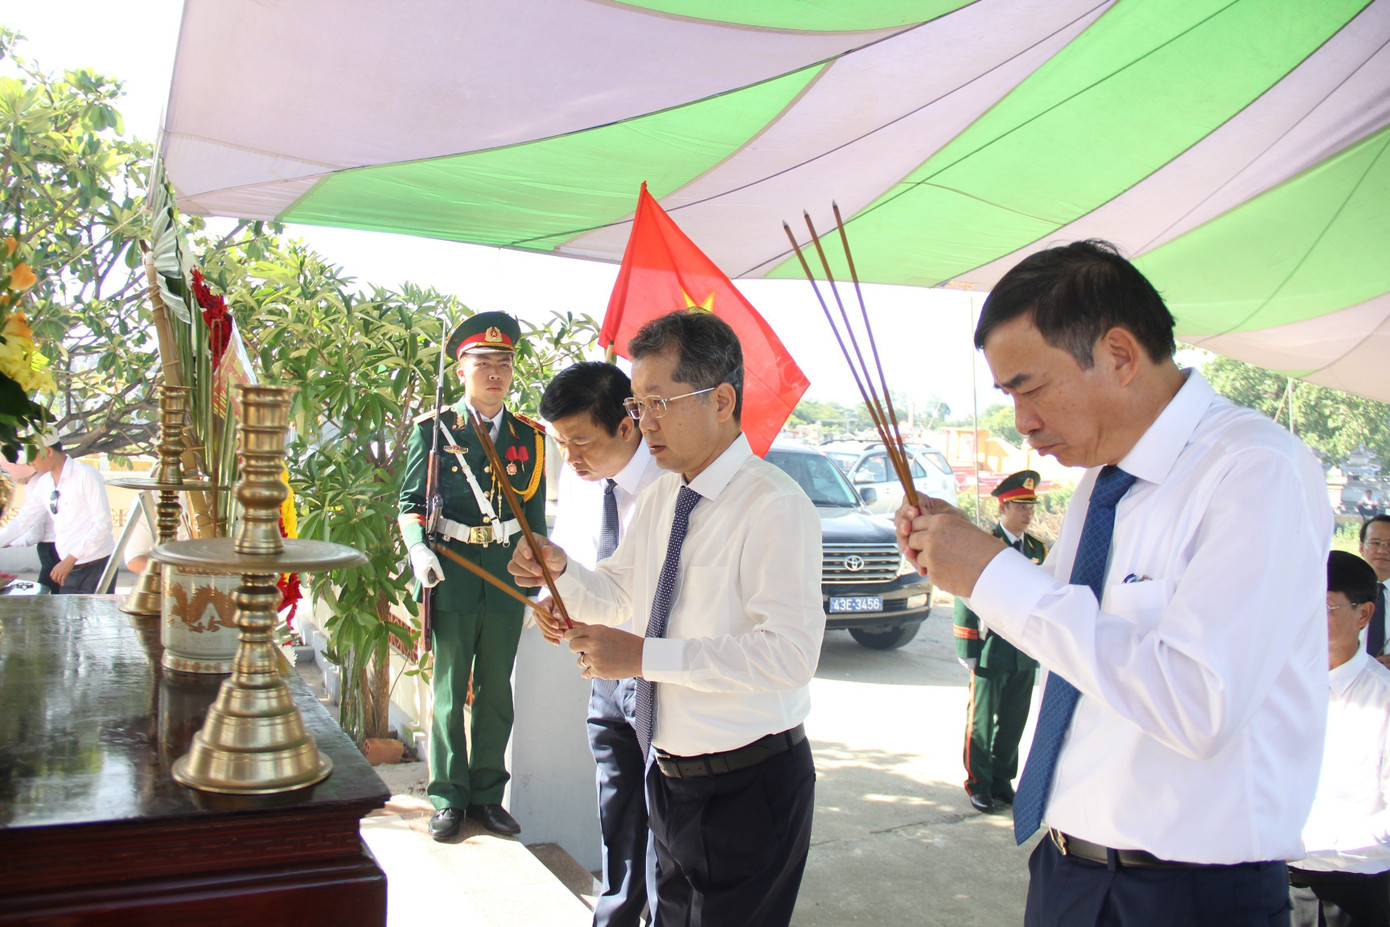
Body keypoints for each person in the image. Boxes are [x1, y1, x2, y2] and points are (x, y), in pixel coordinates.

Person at [897, 240, 1330, 927]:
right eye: (1009, 394)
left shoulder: (1253, 470)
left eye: (1029, 387)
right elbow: (1080, 637)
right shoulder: (1106, 484)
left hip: (1188, 893)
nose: (1022, 420)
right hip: (1070, 869)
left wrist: (993, 573)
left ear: (1121, 355)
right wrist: (975, 565)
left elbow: (1198, 703)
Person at [509, 311, 823, 927]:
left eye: (658, 402)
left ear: (722, 400)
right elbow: (620, 592)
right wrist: (561, 572)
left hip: (749, 783)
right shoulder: (663, 495)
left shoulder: (773, 504)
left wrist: (643, 657)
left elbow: (789, 655)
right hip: (671, 778)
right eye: (637, 401)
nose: (642, 420)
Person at [397, 311, 546, 840]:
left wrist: (535, 588)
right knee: (449, 688)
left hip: (507, 580)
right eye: (482, 363)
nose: (495, 374)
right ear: (461, 369)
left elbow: (536, 522)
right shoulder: (435, 431)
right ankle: (447, 798)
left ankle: (487, 795)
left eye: (503, 364)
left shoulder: (532, 437)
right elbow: (410, 504)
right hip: (452, 575)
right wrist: (419, 551)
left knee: (496, 691)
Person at [539, 361, 665, 927]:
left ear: (627, 425)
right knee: (617, 811)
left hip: (662, 675)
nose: (571, 457)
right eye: (561, 443)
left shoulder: (672, 484)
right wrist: (553, 603)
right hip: (603, 677)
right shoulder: (580, 480)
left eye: (581, 441)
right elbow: (573, 565)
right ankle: (615, 915)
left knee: (667, 820)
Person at [1288, 550, 1390, 927]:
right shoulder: (1275, 690)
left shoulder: (1383, 699)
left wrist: (1307, 840)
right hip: (1272, 885)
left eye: (1326, 606)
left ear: (1363, 614)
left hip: (1353, 891)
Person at [955, 469, 1046, 814]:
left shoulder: (1037, 549)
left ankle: (1002, 780)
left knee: (1014, 718)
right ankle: (978, 784)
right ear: (1003, 507)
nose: (1028, 513)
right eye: (1021, 507)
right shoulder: (986, 543)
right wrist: (967, 647)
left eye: (1030, 507)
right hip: (991, 647)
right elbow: (963, 593)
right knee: (981, 721)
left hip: (1023, 649)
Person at [0, 432, 116, 593]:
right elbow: (22, 521)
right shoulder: (44, 484)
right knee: (66, 618)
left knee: (92, 616)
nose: (30, 464)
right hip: (67, 567)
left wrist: (71, 558)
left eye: (32, 458)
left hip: (95, 565)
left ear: (47, 451)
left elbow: (103, 524)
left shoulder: (86, 474)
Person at [1358, 514, 1390, 665]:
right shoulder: (1338, 593)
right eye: (1375, 543)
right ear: (1361, 547)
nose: (1382, 551)